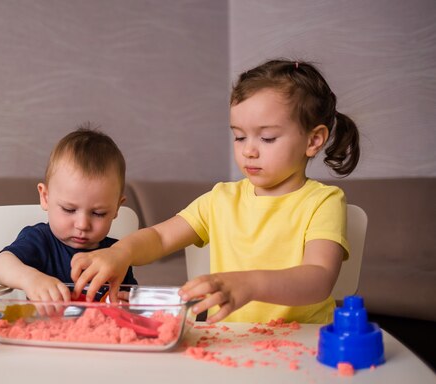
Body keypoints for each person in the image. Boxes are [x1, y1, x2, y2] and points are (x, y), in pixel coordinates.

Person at [70, 59, 360, 324]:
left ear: (314, 140)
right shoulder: (220, 200)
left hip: (305, 342)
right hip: (233, 343)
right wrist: (121, 252)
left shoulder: (323, 202)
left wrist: (248, 284)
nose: (249, 150)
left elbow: (319, 278)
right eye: (239, 136)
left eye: (268, 138)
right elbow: (159, 237)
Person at [0, 126, 137, 303]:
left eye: (98, 213)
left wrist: (129, 304)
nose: (82, 224)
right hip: (45, 327)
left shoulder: (115, 255)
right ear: (45, 197)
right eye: (69, 209)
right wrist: (31, 279)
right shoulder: (39, 240)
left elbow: (131, 299)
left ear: (116, 208)